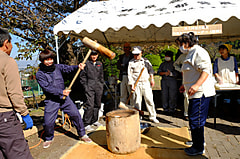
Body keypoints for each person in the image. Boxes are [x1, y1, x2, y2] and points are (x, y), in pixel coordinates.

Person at [36, 49, 92, 149]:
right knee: (48, 122)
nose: (49, 62)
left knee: (76, 115)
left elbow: (68, 68)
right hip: (52, 100)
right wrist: (60, 92)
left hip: (64, 98)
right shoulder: (40, 74)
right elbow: (47, 88)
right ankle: (48, 138)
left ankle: (82, 134)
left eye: (50, 59)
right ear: (42, 61)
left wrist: (77, 67)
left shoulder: (57, 67)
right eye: (46, 60)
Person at [175, 32, 216, 156]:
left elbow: (206, 70)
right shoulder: (190, 53)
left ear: (187, 43)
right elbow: (191, 72)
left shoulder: (198, 52)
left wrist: (197, 85)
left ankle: (198, 147)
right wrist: (185, 85)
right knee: (195, 119)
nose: (180, 47)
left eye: (180, 44)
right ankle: (198, 141)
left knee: (196, 120)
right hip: (194, 92)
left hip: (200, 93)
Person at [0, 27, 33, 159]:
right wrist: (24, 113)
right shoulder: (7, 61)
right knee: (19, 154)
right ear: (6, 43)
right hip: (4, 118)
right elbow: (14, 93)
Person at [128, 46, 159, 123]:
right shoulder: (131, 63)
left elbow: (151, 70)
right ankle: (138, 116)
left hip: (145, 83)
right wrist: (132, 85)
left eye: (138, 54)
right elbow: (130, 75)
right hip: (136, 84)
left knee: (149, 100)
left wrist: (152, 79)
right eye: (135, 54)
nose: (136, 56)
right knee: (137, 102)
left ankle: (152, 116)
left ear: (141, 53)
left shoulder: (146, 61)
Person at [80, 50, 104, 131]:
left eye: (95, 55)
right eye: (92, 55)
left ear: (97, 55)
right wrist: (86, 87)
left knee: (97, 104)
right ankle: (86, 123)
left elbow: (101, 76)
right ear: (90, 55)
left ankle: (95, 120)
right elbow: (82, 77)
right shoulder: (86, 64)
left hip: (98, 87)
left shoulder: (99, 64)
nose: (94, 56)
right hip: (89, 87)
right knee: (90, 105)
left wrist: (101, 84)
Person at [174, 50, 189, 120]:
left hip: (196, 79)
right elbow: (175, 64)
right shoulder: (182, 56)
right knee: (186, 96)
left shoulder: (198, 54)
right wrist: (180, 70)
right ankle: (186, 113)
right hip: (185, 78)